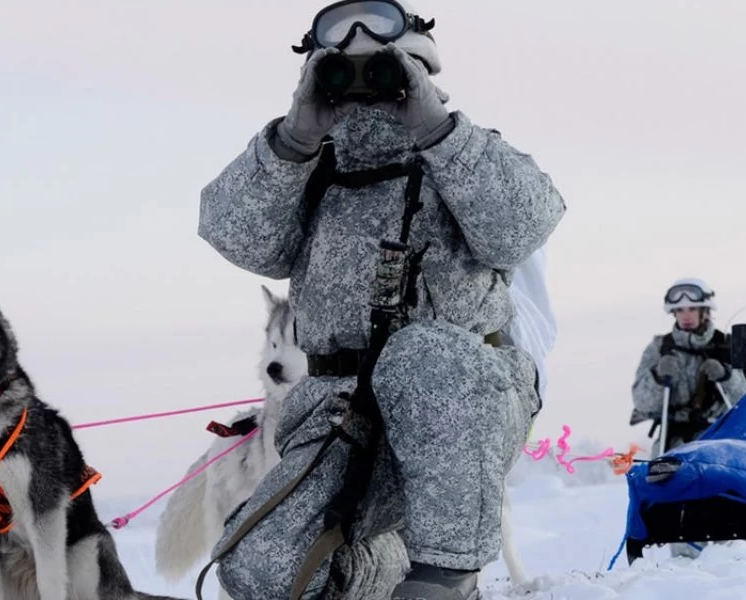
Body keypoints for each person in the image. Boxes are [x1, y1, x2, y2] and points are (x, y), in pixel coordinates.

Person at [195, 1, 565, 598]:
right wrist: (295, 138)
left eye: (385, 69)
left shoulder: (465, 155)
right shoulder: (311, 170)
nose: (368, 86)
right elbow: (235, 234)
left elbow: (521, 227)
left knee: (421, 353)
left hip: (462, 407)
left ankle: (446, 578)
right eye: (346, 70)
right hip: (341, 412)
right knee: (258, 567)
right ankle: (388, 565)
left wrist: (436, 130)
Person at [630, 278, 746, 454]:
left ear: (705, 311)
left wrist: (726, 376)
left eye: (692, 309)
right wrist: (657, 377)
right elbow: (641, 403)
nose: (685, 316)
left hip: (721, 443)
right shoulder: (660, 348)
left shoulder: (729, 345)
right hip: (671, 446)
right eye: (679, 310)